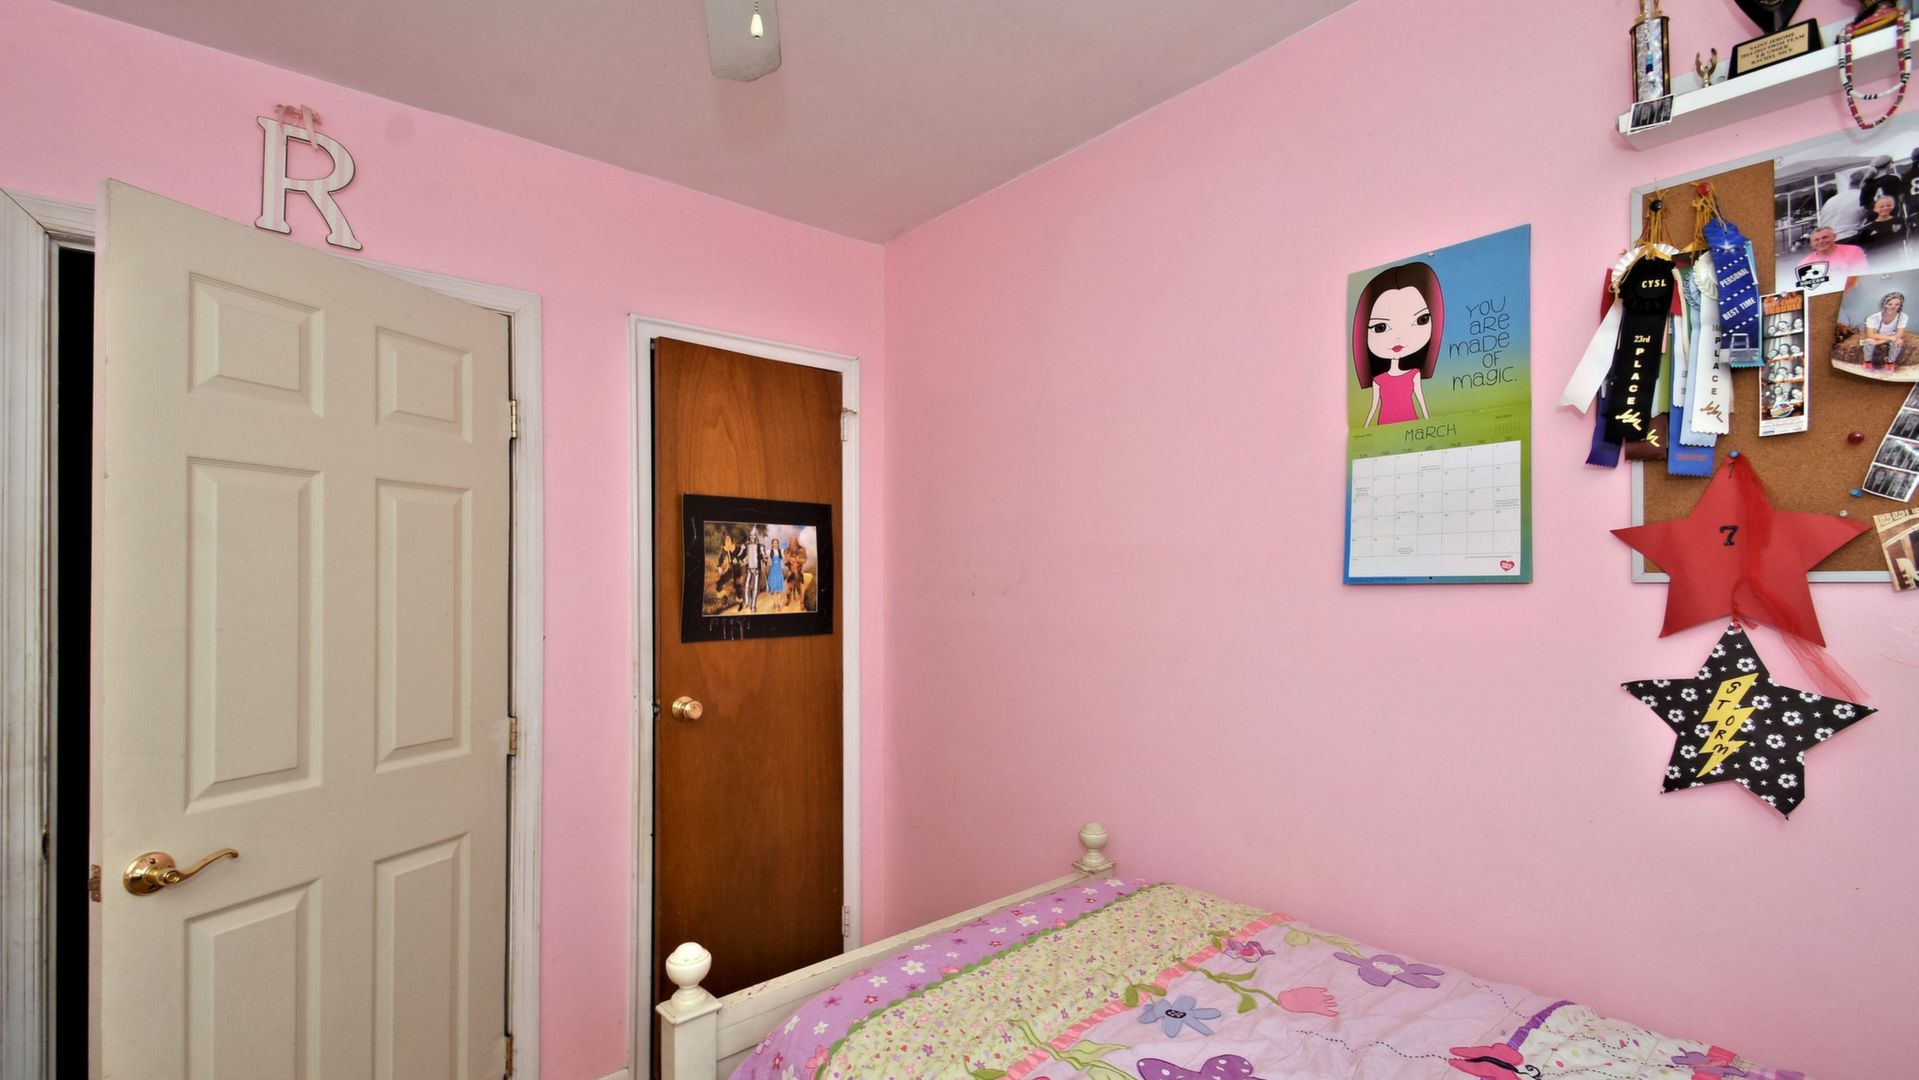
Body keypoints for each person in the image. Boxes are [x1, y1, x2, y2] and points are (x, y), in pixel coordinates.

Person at [1351, 261, 1444, 427]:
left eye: (1422, 319)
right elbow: (1373, 407)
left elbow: (1421, 401)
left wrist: (1429, 422)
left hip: (1413, 424)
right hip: (1384, 424)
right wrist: (1363, 430)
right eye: (1380, 327)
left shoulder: (1414, 374)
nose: (1399, 338)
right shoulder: (1378, 380)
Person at [1796, 226, 1868, 283]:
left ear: (1834, 237)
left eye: (1825, 237)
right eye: (1816, 240)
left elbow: (1860, 277)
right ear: (1811, 244)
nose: (1821, 241)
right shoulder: (1804, 264)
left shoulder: (1853, 251)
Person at [1853, 194, 1909, 262]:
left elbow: (1904, 237)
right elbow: (1863, 246)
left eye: (1889, 205)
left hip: (1896, 257)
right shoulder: (1868, 228)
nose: (1885, 208)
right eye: (1881, 206)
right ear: (1875, 209)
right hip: (1877, 259)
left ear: (1893, 205)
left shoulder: (1899, 221)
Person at [1861, 291, 1908, 371]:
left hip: (1891, 337)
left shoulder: (1903, 317)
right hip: (1879, 336)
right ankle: (1867, 362)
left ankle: (1890, 363)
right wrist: (1890, 338)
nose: (1893, 307)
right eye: (1890, 304)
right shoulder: (1873, 318)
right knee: (1869, 341)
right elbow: (1871, 334)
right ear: (1884, 304)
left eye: (1897, 304)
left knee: (1898, 342)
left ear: (1900, 305)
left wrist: (1878, 342)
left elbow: (1899, 335)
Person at [1820, 171, 1869, 238]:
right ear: (1863, 183)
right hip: (1848, 237)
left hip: (1826, 239)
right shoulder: (1862, 196)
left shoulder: (1831, 200)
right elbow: (1874, 217)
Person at [740, 529, 766, 612]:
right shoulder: (745, 545)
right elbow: (740, 556)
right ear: (749, 536)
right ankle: (746, 601)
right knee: (746, 586)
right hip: (748, 569)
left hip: (757, 569)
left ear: (756, 536)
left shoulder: (760, 546)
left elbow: (764, 556)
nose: (752, 536)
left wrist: (765, 558)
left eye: (754, 535)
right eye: (751, 535)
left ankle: (753, 605)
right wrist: (742, 553)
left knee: (755, 588)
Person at [783, 536, 808, 607]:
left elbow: (804, 560)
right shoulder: (786, 550)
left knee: (801, 587)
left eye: (794, 542)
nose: (793, 544)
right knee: (788, 587)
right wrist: (792, 559)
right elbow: (786, 559)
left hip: (799, 570)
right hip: (791, 571)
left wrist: (796, 560)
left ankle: (802, 603)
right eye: (791, 542)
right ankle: (788, 599)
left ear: (797, 542)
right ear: (789, 543)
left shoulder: (802, 549)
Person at [765, 531, 786, 603]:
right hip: (772, 571)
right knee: (772, 588)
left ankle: (778, 603)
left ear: (778, 544)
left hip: (779, 571)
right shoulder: (768, 552)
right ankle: (775, 603)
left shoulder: (781, 551)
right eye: (774, 543)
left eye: (777, 543)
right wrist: (767, 562)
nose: (775, 544)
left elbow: (785, 559)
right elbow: (766, 561)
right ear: (772, 544)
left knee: (778, 589)